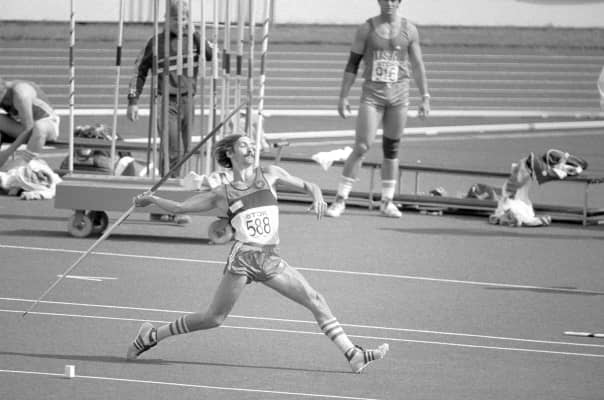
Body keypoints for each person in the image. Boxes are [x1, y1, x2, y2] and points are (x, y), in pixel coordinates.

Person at [127, 134, 389, 373]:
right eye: (244, 145)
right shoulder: (222, 193)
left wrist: (318, 196)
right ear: (230, 153)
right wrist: (152, 200)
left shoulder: (270, 174)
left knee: (315, 299)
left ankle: (352, 354)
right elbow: (180, 208)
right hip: (244, 258)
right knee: (213, 318)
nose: (251, 148)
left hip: (270, 257)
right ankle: (152, 336)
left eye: (252, 145)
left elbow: (309, 185)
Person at [326, 0, 430, 218]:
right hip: (372, 96)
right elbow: (352, 64)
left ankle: (386, 202)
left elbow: (417, 65)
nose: (389, 3)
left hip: (399, 97)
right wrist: (343, 96)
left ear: (399, 2)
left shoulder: (410, 30)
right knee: (362, 146)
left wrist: (425, 97)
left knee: (392, 149)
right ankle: (340, 200)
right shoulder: (366, 29)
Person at [126, 0, 212, 224]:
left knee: (185, 151)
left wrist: (195, 33)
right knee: (171, 150)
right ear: (166, 19)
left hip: (188, 100)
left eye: (184, 19)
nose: (180, 23)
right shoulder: (156, 42)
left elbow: (211, 54)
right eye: (175, 19)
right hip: (166, 101)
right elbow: (139, 71)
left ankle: (167, 203)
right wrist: (133, 101)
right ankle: (171, 204)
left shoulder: (195, 40)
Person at [0, 77, 60, 169]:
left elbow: (28, 128)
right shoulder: (3, 92)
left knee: (39, 127)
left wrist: (6, 153)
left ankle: (25, 164)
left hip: (47, 125)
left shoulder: (21, 93)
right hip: (22, 127)